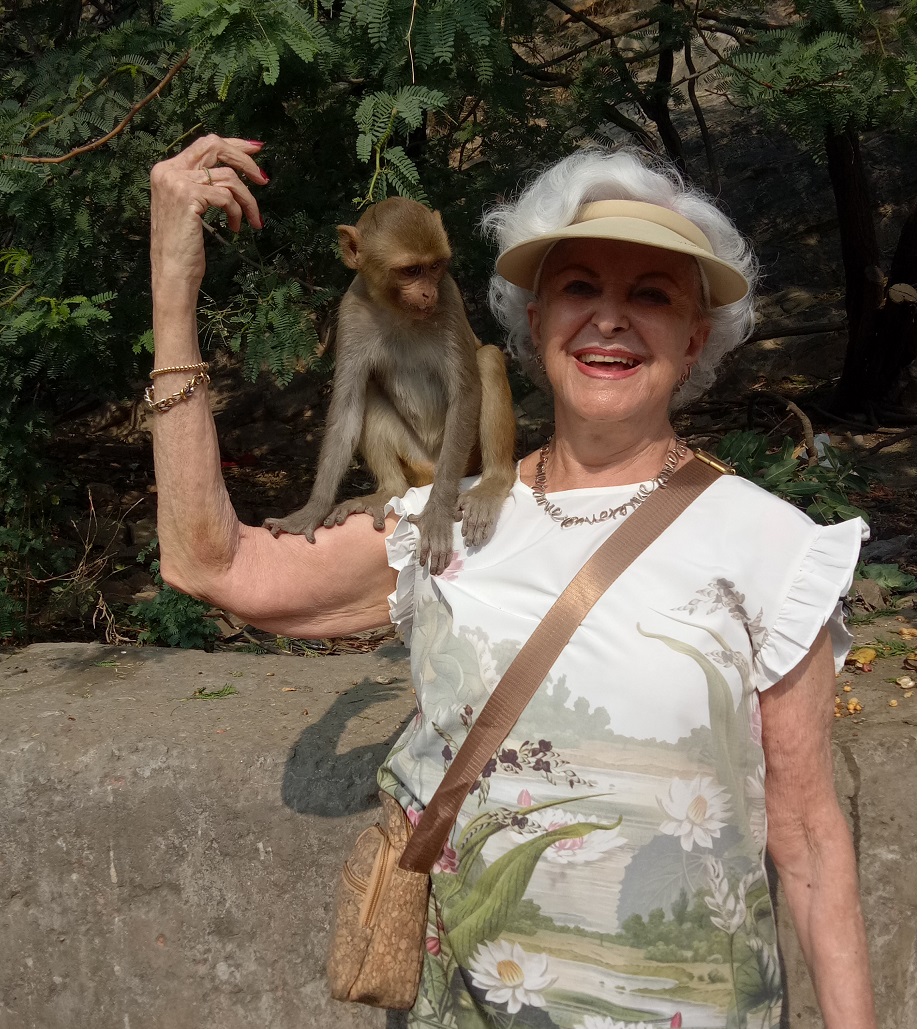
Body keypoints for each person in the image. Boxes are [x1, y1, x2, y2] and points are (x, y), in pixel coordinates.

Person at [149, 136, 876, 1029]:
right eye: (581, 288)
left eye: (650, 295)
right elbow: (206, 562)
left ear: (695, 340)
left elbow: (806, 842)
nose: (609, 319)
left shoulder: (771, 542)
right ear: (534, 323)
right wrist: (173, 284)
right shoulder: (434, 524)